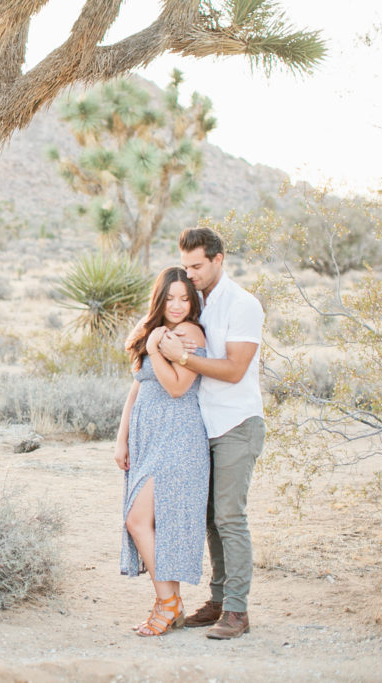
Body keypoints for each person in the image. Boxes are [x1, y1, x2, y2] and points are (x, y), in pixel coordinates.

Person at [158, 226, 265, 640]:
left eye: (197, 266)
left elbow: (235, 370)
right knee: (209, 519)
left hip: (237, 424)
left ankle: (237, 611)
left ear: (219, 259)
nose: (191, 274)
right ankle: (219, 601)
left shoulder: (243, 304)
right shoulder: (196, 301)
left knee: (230, 518)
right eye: (186, 266)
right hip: (204, 426)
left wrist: (181, 356)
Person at [115, 266, 209, 637]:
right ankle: (168, 603)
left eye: (184, 298)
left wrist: (155, 346)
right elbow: (136, 388)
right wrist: (122, 439)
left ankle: (168, 603)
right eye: (170, 297)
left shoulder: (189, 333)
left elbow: (175, 387)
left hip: (178, 437)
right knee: (153, 522)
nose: (177, 305)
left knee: (139, 520)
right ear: (159, 298)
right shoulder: (149, 329)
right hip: (147, 438)